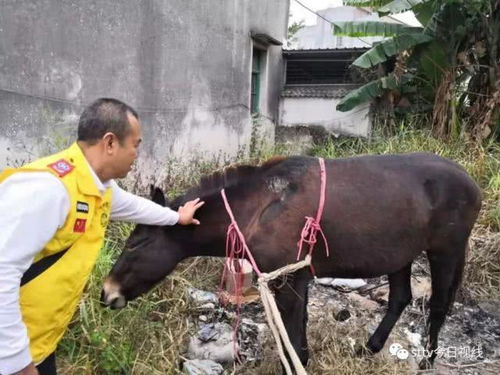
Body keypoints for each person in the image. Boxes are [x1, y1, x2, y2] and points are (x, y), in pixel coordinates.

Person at [0, 98, 204, 375]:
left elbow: (135, 207)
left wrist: (177, 218)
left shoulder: (96, 187)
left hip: (37, 346)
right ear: (110, 143)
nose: (136, 155)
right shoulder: (48, 189)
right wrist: (17, 363)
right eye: (135, 145)